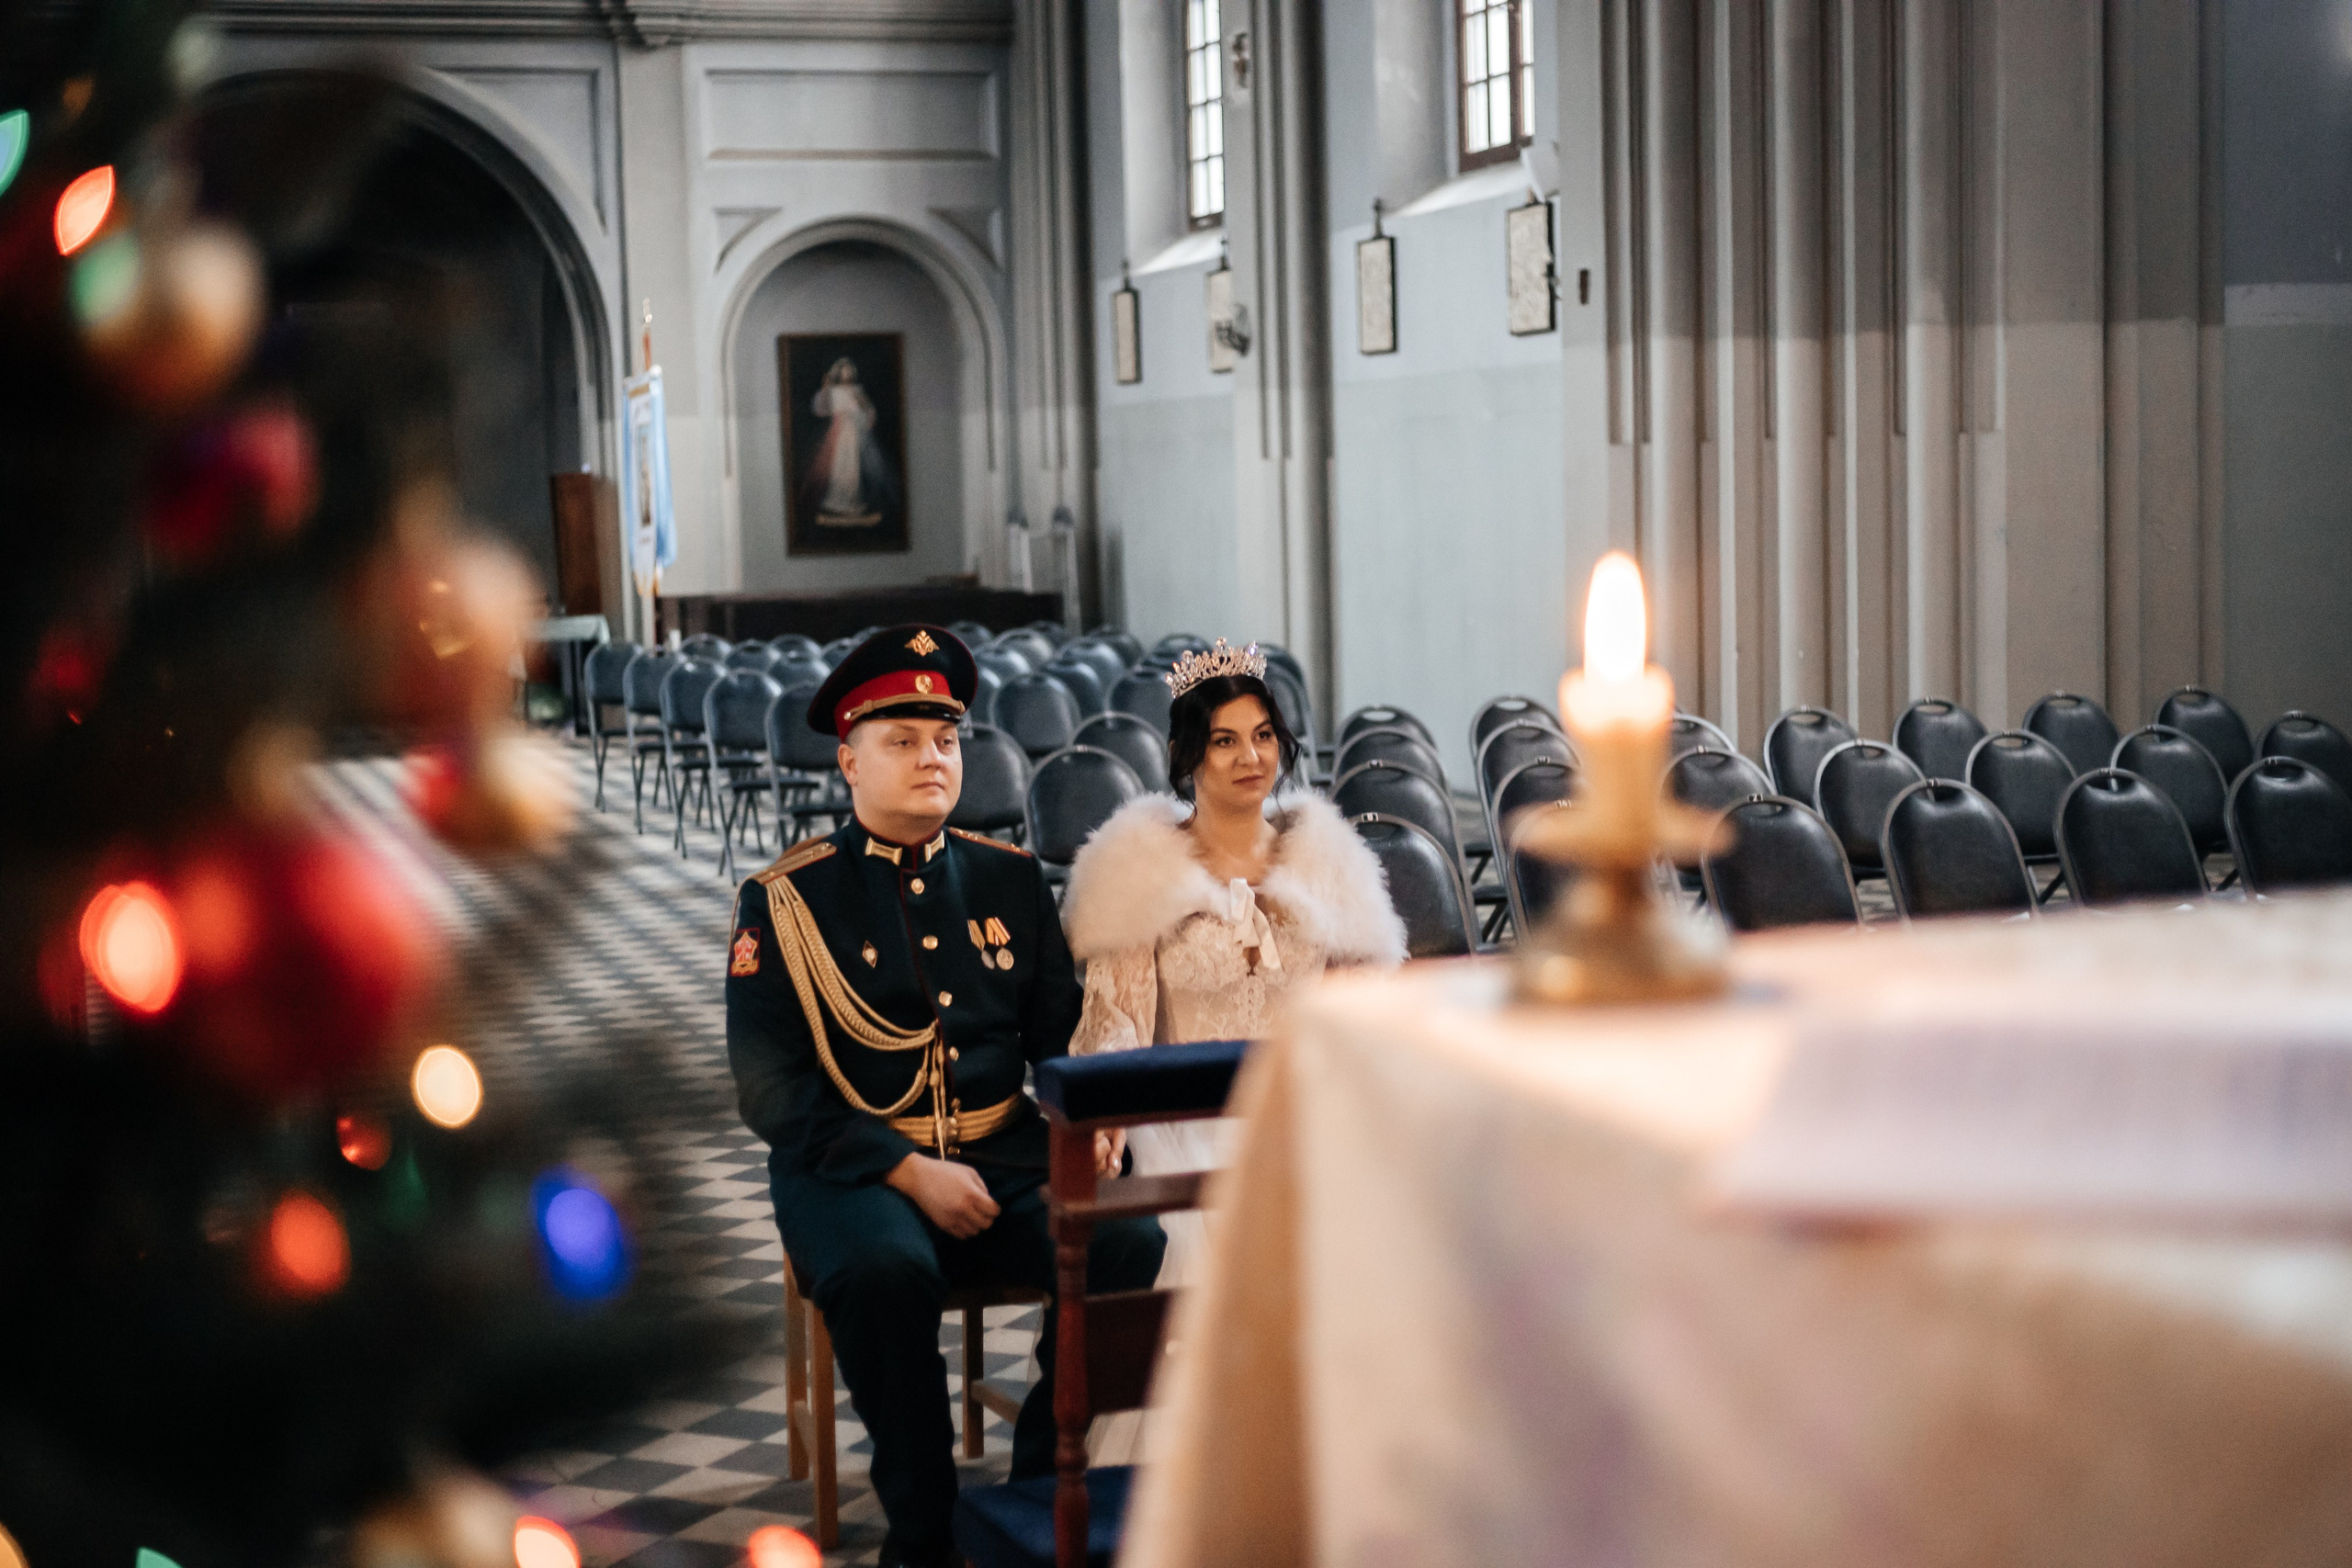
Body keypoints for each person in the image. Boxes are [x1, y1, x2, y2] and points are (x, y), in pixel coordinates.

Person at [725, 625, 1164, 1568]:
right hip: (850, 1166)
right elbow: (771, 1093)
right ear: (847, 761)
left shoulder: (1008, 882)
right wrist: (908, 1172)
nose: (932, 758)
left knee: (1127, 1236)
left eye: (945, 739)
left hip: (999, 1149)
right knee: (888, 1271)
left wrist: (1090, 1121)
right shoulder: (785, 902)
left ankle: (1036, 1500)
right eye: (901, 741)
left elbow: (1056, 1041)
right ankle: (920, 1533)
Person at [1062, 639, 1406, 1289]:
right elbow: (1117, 1018)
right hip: (1182, 1121)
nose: (1251, 757)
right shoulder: (1142, 869)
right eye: (1224, 740)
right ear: (1189, 754)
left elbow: (1362, 1012)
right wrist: (1107, 1105)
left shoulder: (1325, 863)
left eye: (1263, 734)